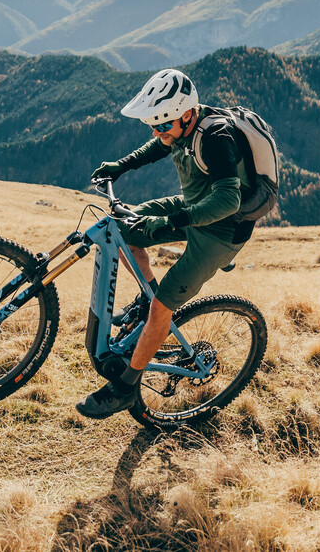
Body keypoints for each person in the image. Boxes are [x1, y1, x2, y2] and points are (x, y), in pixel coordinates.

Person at [76, 68, 258, 419]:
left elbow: (228, 200)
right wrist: (120, 166)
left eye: (162, 125)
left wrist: (173, 221)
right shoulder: (180, 128)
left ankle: (125, 388)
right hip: (193, 208)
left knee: (162, 308)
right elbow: (159, 146)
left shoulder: (216, 137)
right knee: (124, 229)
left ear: (186, 115)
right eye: (153, 125)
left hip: (222, 231)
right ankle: (148, 299)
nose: (157, 132)